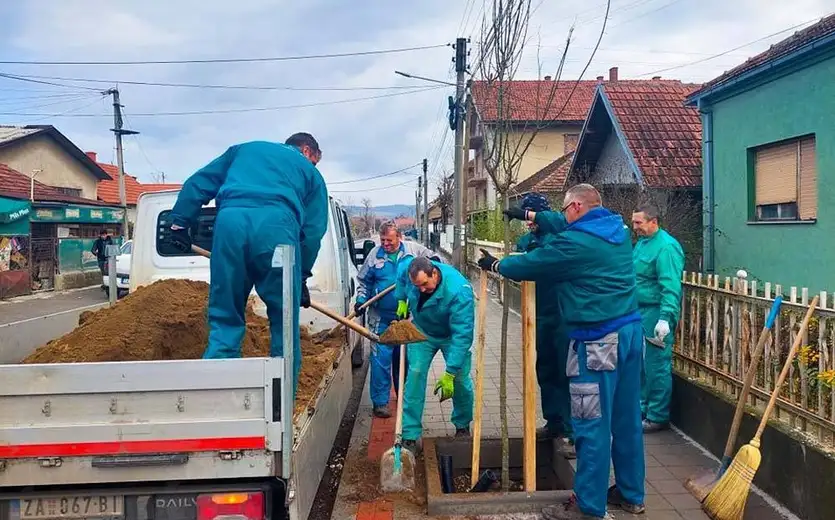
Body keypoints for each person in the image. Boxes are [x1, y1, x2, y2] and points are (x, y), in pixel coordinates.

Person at [480, 184, 645, 520]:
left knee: (591, 424)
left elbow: (533, 264)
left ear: (575, 208)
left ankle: (587, 506)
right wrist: (529, 214)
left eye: (566, 211)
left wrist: (497, 265)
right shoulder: (615, 227)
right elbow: (558, 221)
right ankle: (631, 494)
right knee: (627, 420)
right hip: (630, 335)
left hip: (597, 343)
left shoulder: (574, 244)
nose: (563, 218)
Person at [167, 133, 328, 397]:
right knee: (284, 322)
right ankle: (280, 405)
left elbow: (198, 183)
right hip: (278, 230)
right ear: (308, 151)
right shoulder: (310, 174)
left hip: (230, 225)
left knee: (225, 316)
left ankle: (218, 400)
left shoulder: (243, 150)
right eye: (316, 161)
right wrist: (300, 276)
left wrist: (180, 222)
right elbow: (312, 232)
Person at [355, 222, 439, 418]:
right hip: (380, 319)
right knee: (380, 360)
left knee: (405, 360)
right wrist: (360, 300)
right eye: (382, 240)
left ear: (399, 237)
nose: (385, 244)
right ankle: (380, 403)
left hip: (407, 319)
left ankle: (404, 398)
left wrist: (435, 260)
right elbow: (363, 281)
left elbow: (433, 261)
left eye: (389, 240)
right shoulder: (374, 256)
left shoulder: (412, 250)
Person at [514, 193, 574, 456]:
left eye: (532, 216)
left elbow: (559, 225)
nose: (529, 223)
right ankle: (554, 422)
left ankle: (572, 431)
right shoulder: (527, 241)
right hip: (540, 315)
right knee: (546, 369)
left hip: (562, 314)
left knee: (566, 372)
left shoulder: (560, 236)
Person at [395, 256, 474, 453]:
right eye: (416, 286)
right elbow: (401, 277)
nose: (421, 289)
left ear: (435, 274)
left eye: (424, 284)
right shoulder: (410, 269)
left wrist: (450, 372)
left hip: (450, 336)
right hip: (422, 332)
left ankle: (463, 425)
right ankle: (410, 434)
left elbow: (462, 336)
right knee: (414, 374)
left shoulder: (459, 291)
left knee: (460, 381)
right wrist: (401, 299)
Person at [632, 203, 684, 433]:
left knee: (656, 365)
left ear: (653, 221)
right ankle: (643, 409)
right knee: (642, 365)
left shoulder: (666, 248)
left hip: (656, 313)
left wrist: (666, 317)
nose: (635, 227)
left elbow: (670, 286)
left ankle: (657, 416)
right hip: (639, 312)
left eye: (638, 223)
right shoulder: (643, 243)